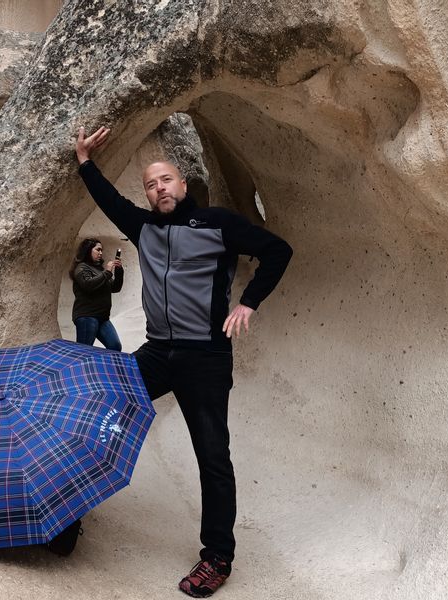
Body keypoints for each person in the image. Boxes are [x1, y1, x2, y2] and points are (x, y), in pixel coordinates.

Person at [75, 126, 293, 598]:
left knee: (213, 458)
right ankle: (68, 512)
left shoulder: (217, 222)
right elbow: (110, 199)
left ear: (183, 185)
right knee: (99, 412)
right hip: (157, 352)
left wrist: (248, 303)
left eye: (166, 180)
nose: (159, 189)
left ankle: (217, 557)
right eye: (151, 185)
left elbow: (278, 251)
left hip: (206, 356)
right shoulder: (143, 227)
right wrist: (85, 160)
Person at [70, 238, 124, 351]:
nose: (101, 253)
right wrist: (107, 272)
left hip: (103, 318)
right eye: (98, 250)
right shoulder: (82, 267)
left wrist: (118, 271)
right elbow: (88, 285)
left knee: (115, 346)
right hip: (87, 316)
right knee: (84, 351)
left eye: (101, 250)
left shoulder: (99, 270)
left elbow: (115, 288)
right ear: (88, 250)